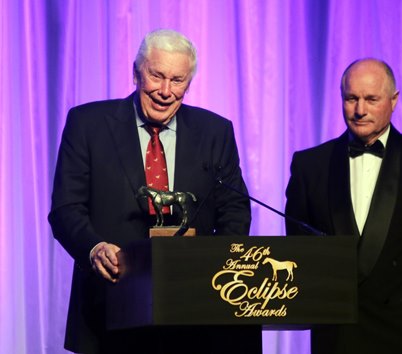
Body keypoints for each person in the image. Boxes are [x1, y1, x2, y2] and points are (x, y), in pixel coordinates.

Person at [49, 29, 261, 354]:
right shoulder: (88, 124)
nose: (165, 91)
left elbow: (235, 209)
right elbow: (66, 208)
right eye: (156, 75)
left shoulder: (215, 132)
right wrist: (93, 248)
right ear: (136, 72)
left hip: (193, 315)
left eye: (177, 80)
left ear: (188, 84)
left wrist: (213, 269)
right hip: (110, 307)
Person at [285, 58, 402, 354]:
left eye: (371, 99)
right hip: (338, 334)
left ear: (393, 101)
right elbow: (300, 250)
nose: (360, 110)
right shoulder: (309, 165)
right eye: (351, 99)